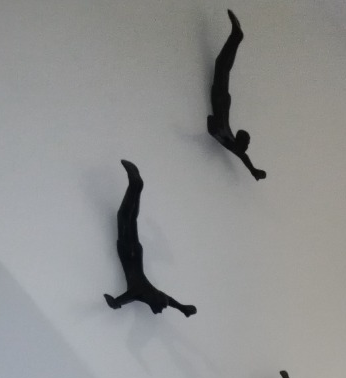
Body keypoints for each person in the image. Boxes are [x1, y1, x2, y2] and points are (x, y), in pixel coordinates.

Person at [104, 160, 197, 317]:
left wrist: (183, 308)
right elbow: (118, 302)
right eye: (159, 309)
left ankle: (137, 186)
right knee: (124, 216)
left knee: (131, 219)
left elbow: (168, 300)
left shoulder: (152, 292)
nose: (158, 312)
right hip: (127, 251)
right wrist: (114, 303)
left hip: (136, 252)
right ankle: (135, 185)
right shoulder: (139, 292)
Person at [207, 10, 266, 181]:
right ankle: (236, 37)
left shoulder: (230, 139)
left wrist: (254, 170)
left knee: (222, 66)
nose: (247, 144)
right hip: (221, 99)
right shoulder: (230, 139)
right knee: (222, 67)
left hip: (222, 99)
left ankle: (236, 37)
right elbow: (243, 157)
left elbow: (243, 156)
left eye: (245, 141)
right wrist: (253, 170)